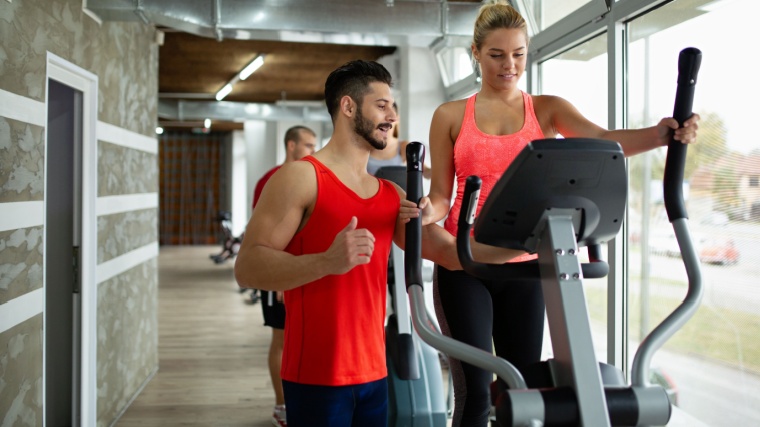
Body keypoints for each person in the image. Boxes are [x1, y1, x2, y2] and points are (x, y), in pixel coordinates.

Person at [424, 2, 701, 426]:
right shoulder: (449, 115)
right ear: (476, 53)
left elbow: (605, 141)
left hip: (528, 266)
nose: (509, 65)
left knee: (523, 390)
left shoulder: (547, 109)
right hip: (467, 265)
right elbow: (442, 195)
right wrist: (428, 209)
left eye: (518, 53)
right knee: (477, 391)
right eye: (497, 54)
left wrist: (662, 134)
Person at [234, 59, 484, 427]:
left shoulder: (390, 194)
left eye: (393, 107)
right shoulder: (301, 178)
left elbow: (448, 253)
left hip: (373, 372)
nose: (391, 117)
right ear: (348, 107)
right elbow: (247, 267)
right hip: (316, 376)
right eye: (381, 106)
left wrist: (526, 245)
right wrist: (326, 261)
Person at [250, 125, 317, 427]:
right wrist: (280, 276)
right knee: (281, 338)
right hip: (280, 273)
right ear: (291, 146)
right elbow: (263, 239)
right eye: (308, 145)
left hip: (306, 272)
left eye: (316, 145)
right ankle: (282, 406)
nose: (313, 151)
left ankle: (303, 401)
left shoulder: (311, 178)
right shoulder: (272, 180)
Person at [367, 117, 432, 179]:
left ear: (396, 120)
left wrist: (436, 171)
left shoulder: (403, 146)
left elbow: (425, 171)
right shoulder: (365, 146)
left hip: (398, 189)